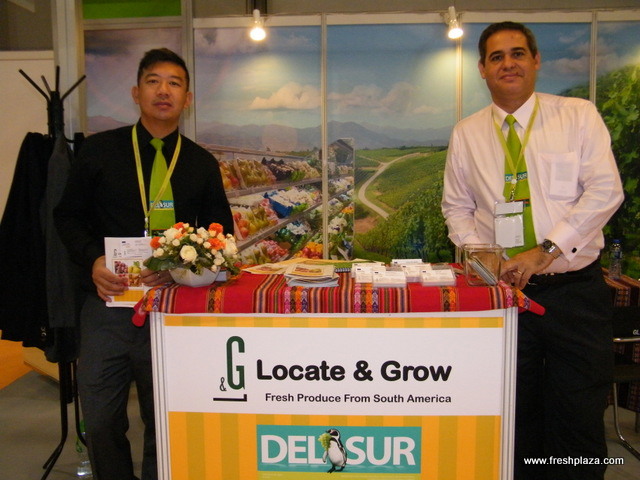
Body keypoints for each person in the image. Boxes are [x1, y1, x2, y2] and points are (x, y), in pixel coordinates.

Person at [441, 22, 623, 480]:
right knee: (512, 414)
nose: (508, 63)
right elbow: (456, 207)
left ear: (536, 61)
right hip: (503, 297)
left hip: (574, 293)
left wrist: (545, 250)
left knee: (577, 415)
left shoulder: (577, 116)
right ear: (482, 69)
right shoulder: (467, 133)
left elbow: (605, 191)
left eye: (518, 53)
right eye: (497, 57)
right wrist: (479, 253)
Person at [54, 48, 233, 480]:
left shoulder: (200, 163)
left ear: (188, 98)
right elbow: (67, 217)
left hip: (172, 308)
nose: (163, 91)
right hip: (107, 304)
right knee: (100, 418)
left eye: (174, 83)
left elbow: (221, 236)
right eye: (153, 81)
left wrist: (179, 269)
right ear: (137, 92)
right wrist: (93, 259)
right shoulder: (99, 151)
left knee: (165, 418)